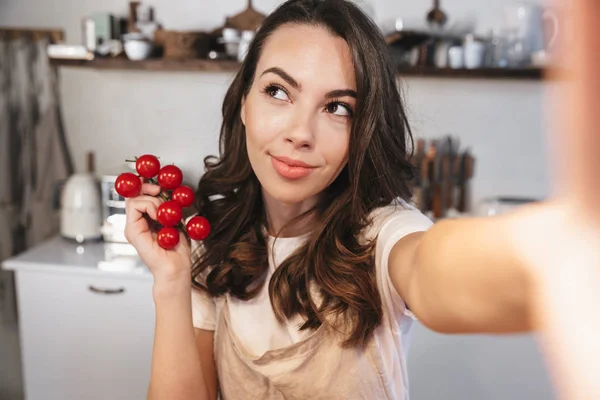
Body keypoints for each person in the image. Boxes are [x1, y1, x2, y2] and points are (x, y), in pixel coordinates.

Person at [123, 0, 600, 399]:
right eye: (277, 91)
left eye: (336, 108)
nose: (300, 134)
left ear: (363, 128)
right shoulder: (214, 241)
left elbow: (431, 270)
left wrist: (540, 254)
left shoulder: (381, 234)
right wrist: (171, 281)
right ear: (244, 101)